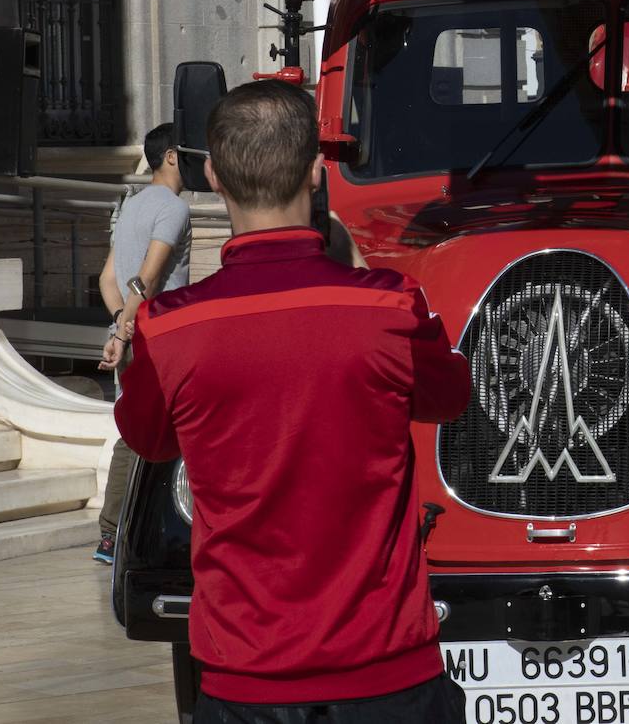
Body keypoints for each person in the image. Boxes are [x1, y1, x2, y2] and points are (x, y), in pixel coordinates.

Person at [113, 80, 471, 722]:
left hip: (249, 674)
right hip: (387, 668)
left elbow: (149, 438)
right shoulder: (387, 306)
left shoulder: (168, 329)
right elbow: (450, 396)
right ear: (315, 171)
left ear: (214, 176)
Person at [93, 122, 191, 563]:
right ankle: (157, 532)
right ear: (171, 156)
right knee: (176, 429)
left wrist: (119, 324)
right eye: (188, 152)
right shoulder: (172, 207)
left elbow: (107, 279)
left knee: (134, 433)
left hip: (133, 333)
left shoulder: (130, 206)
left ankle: (114, 536)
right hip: (159, 337)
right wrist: (126, 327)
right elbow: (146, 277)